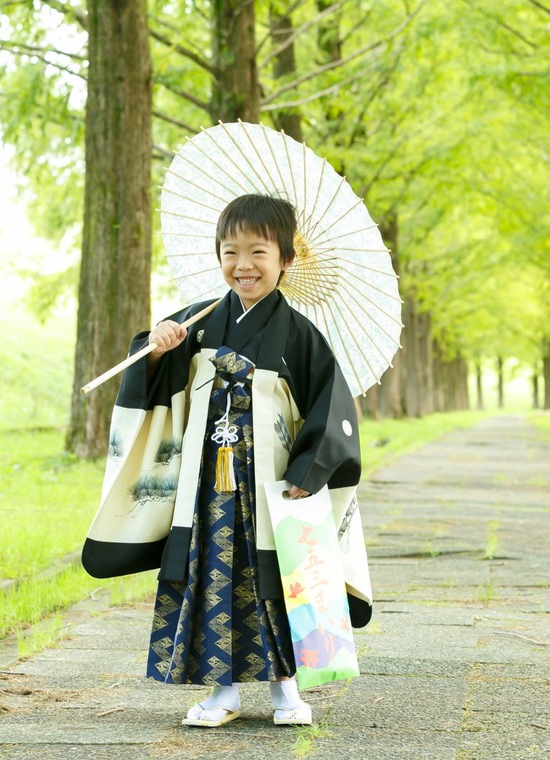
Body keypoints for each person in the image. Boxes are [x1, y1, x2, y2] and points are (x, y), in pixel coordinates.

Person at [81, 194, 371, 729]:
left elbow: (332, 409)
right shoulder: (194, 322)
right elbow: (150, 381)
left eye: (258, 252)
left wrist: (309, 474)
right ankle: (222, 693)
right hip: (205, 487)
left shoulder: (302, 336)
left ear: (287, 259)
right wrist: (160, 348)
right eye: (230, 251)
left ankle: (289, 693)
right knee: (209, 577)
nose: (242, 265)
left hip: (272, 488)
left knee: (276, 582)